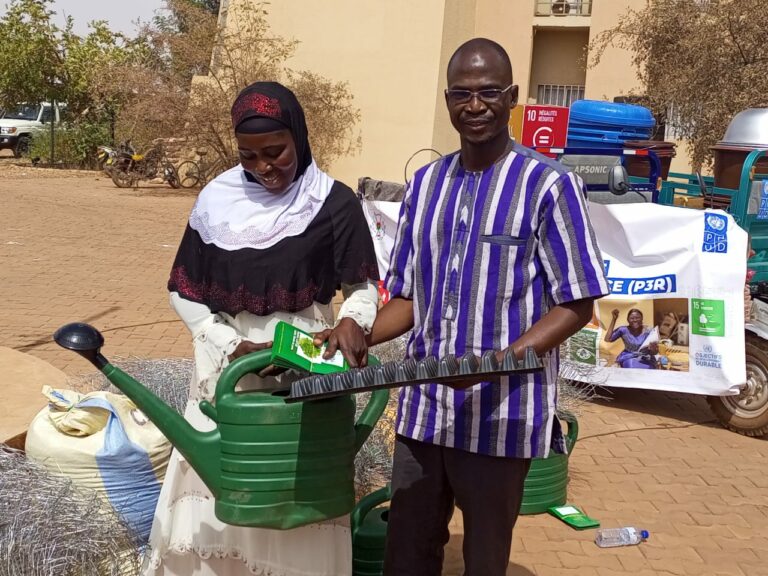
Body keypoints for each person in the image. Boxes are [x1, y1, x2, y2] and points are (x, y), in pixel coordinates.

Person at [367, 38, 609, 575]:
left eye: (488, 93)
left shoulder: (549, 184)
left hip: (502, 414)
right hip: (424, 410)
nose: (474, 106)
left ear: (513, 97)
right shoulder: (426, 185)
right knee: (405, 553)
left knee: (483, 558)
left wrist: (495, 363)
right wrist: (363, 335)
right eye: (462, 94)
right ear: (447, 99)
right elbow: (407, 296)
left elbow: (578, 301)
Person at [145, 81, 380, 576]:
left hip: (303, 369)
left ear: (299, 137)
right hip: (226, 366)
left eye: (276, 152)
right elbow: (182, 290)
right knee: (222, 484)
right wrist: (231, 344)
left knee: (294, 492)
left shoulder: (332, 202)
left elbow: (361, 285)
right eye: (249, 156)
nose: (264, 168)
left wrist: (353, 321)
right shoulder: (216, 200)